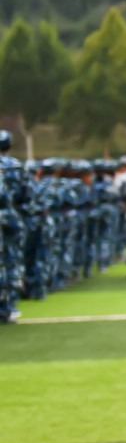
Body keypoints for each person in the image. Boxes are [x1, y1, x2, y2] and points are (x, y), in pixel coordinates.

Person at [0, 130, 26, 324]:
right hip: (11, 216)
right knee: (11, 260)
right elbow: (26, 194)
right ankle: (9, 307)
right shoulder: (15, 166)